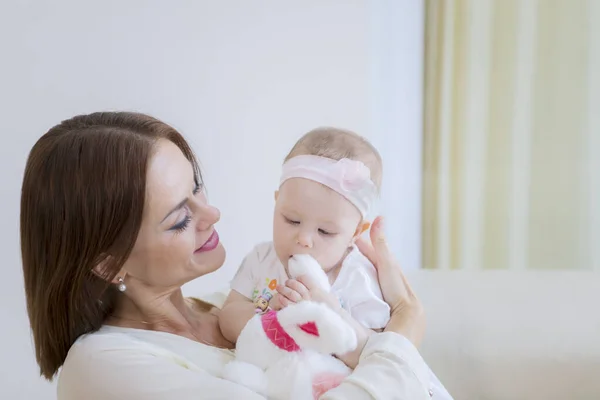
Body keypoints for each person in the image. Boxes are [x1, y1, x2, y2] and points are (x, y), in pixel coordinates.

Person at [21, 111, 434, 399]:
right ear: (110, 263)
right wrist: (405, 329)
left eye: (196, 187)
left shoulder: (235, 304)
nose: (212, 214)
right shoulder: (102, 368)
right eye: (180, 218)